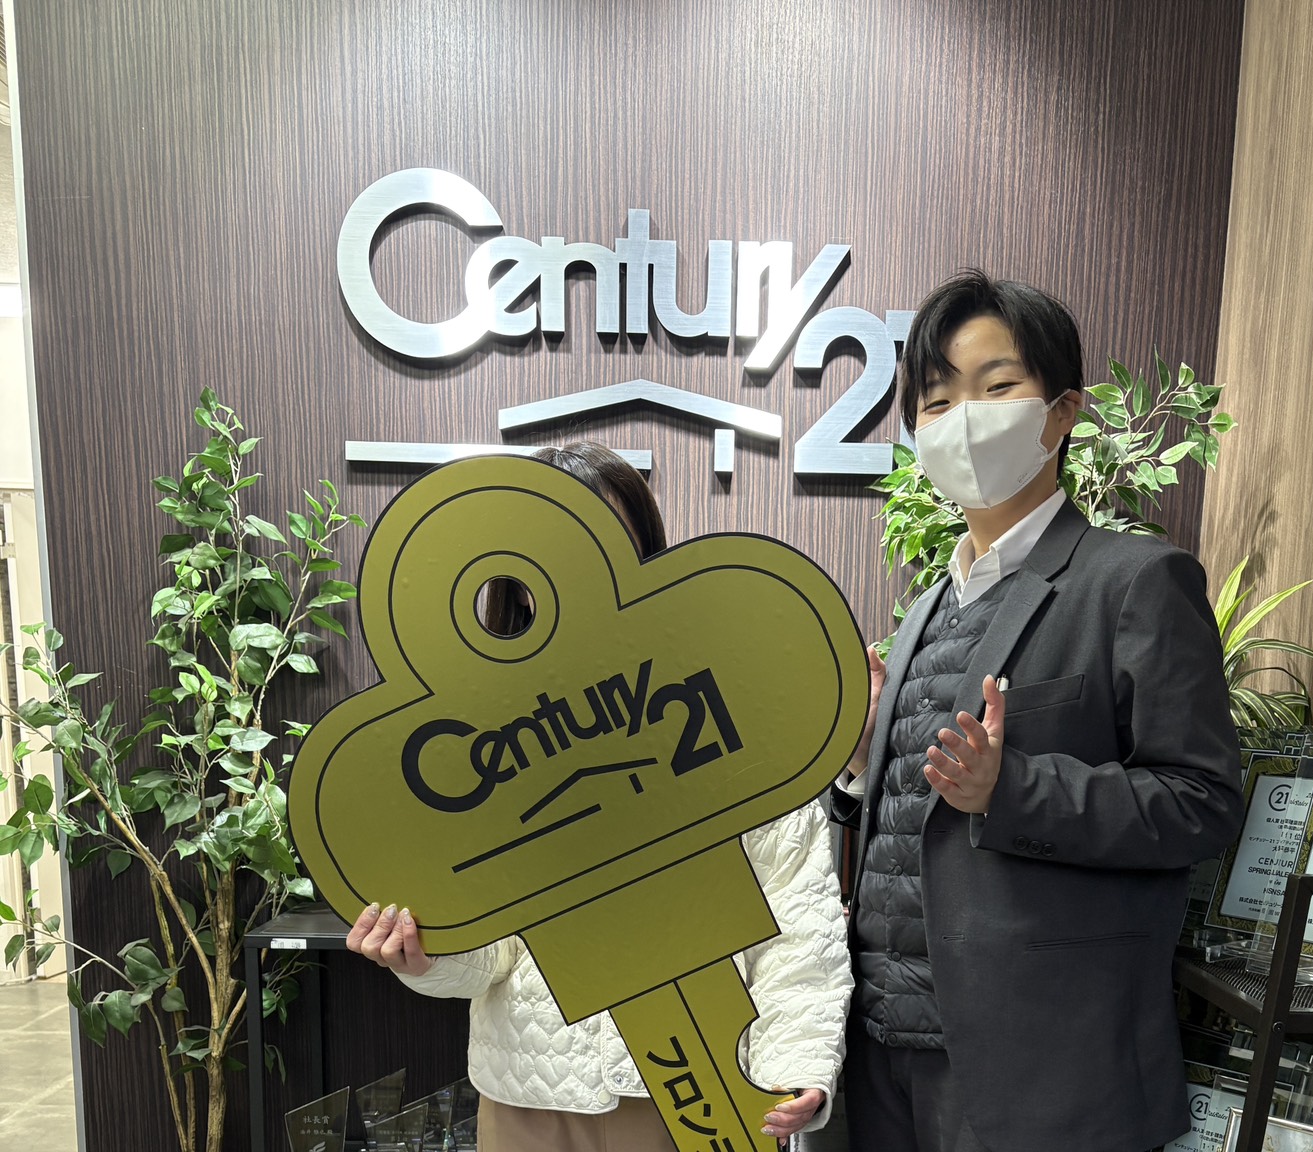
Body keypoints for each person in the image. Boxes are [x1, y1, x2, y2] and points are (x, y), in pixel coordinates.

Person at [831, 272, 1245, 1152]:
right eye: (936, 401)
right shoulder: (926, 608)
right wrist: (864, 759)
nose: (961, 419)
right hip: (883, 1054)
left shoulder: (1134, 582)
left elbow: (1201, 803)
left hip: (1039, 1065)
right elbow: (908, 824)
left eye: (995, 387)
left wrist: (1011, 789)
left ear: (1061, 414)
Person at [348, 441, 853, 1152]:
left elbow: (796, 914)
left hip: (699, 1090)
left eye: (602, 538)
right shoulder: (474, 734)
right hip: (528, 1095)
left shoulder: (729, 700)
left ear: (645, 550)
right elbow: (492, 951)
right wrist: (424, 957)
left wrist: (796, 1063)